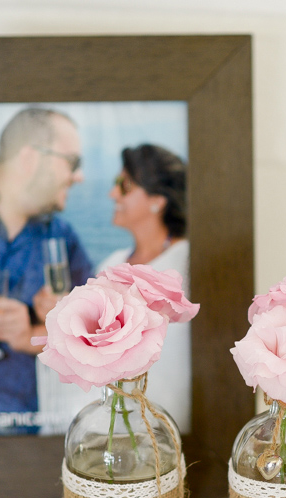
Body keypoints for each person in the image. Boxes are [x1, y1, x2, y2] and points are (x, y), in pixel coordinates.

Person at [36, 144, 191, 434]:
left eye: (125, 186)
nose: (113, 194)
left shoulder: (186, 262)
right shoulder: (112, 263)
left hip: (156, 426)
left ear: (158, 200)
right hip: (106, 424)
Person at [0, 107, 93, 436]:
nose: (79, 177)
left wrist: (37, 329)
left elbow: (91, 348)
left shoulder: (63, 238)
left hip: (25, 437)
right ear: (31, 157)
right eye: (73, 162)